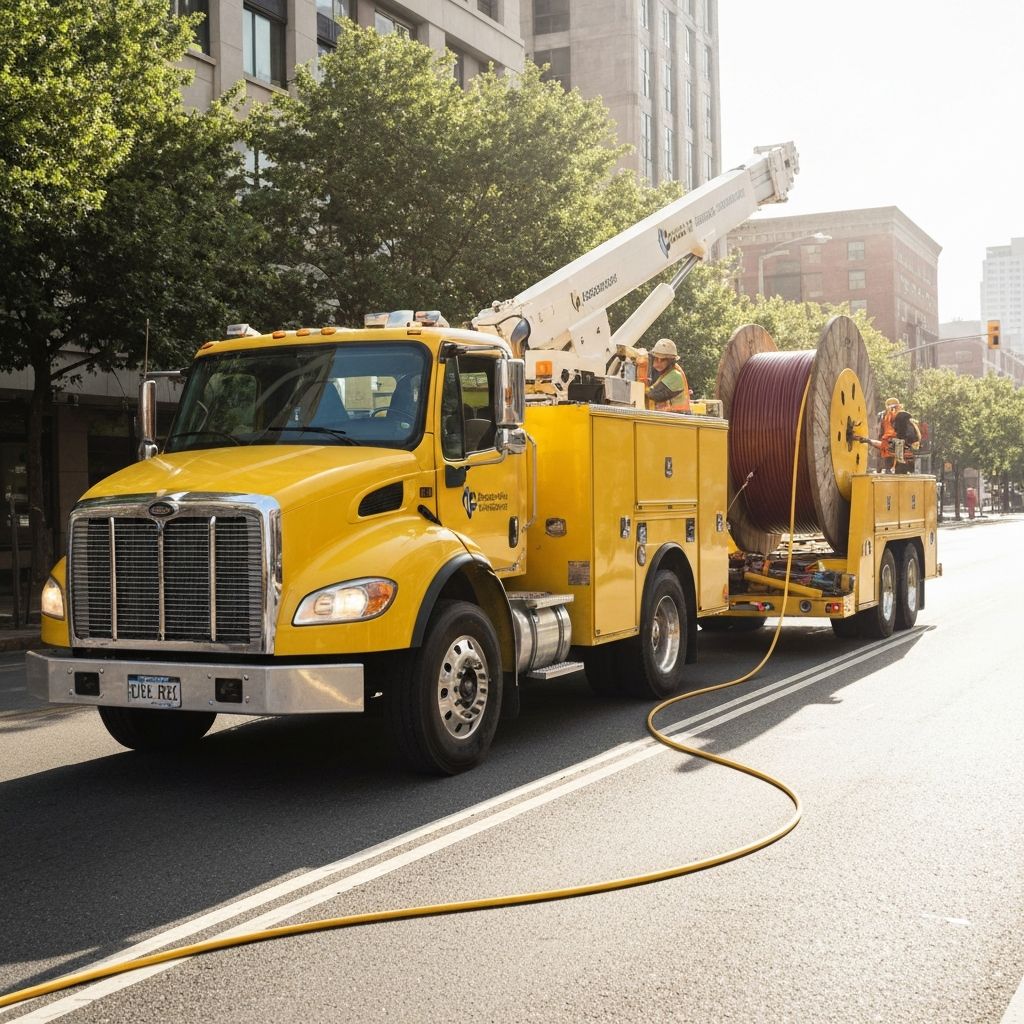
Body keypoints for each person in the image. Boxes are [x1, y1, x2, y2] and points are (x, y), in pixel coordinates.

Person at [644, 338, 690, 413]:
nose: (658, 362)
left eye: (663, 359)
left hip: (679, 418)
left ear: (671, 361)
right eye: (656, 358)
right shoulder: (665, 374)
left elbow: (654, 395)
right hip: (672, 417)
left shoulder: (675, 375)